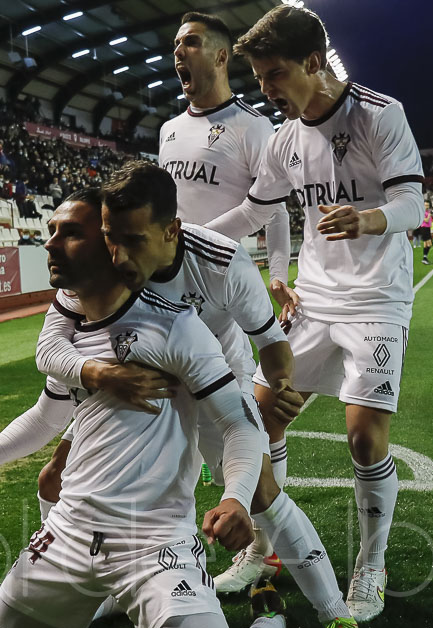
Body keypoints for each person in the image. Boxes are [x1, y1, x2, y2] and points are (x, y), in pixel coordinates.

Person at [0, 189, 283, 628]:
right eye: (51, 232)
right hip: (68, 531)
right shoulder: (71, 332)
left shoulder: (176, 327)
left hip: (154, 542)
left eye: (70, 233)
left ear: (111, 246)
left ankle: (268, 626)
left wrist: (236, 497)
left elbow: (241, 426)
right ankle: (106, 600)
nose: (51, 244)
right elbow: (47, 416)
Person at [35, 163, 371, 628]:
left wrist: (279, 388)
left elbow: (272, 344)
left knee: (261, 496)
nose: (118, 255)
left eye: (132, 239)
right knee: (66, 478)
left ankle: (339, 620)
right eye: (109, 237)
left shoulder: (222, 261)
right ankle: (89, 595)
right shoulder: (101, 257)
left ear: (171, 230)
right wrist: (94, 376)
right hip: (136, 390)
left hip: (217, 385)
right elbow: (51, 343)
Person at [206, 5, 426, 624]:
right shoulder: (284, 140)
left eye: (274, 75)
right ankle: (263, 549)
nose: (266, 91)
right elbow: (252, 213)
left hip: (378, 299)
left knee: (363, 436)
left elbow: (413, 201)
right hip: (315, 298)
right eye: (259, 80)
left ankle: (371, 565)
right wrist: (183, 237)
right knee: (258, 418)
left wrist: (368, 218)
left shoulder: (382, 115)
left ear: (312, 63)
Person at [160, 10, 296, 582]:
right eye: (175, 45)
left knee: (242, 429)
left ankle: (264, 547)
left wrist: (279, 271)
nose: (178, 53)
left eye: (189, 43)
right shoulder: (169, 131)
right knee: (172, 432)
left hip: (222, 297)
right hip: (169, 300)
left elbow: (276, 205)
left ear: (220, 56)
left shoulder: (253, 128)